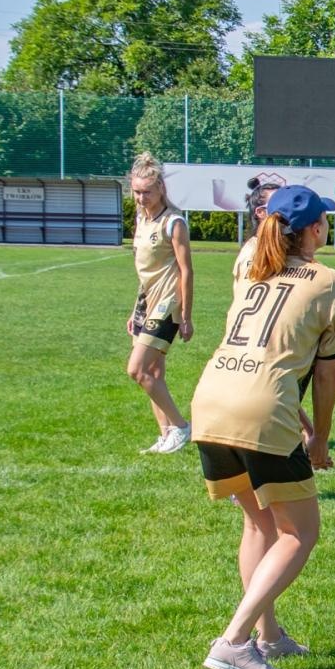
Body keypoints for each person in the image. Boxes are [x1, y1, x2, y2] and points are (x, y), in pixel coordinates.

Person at [193, 185, 335, 669]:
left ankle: (268, 636)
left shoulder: (252, 273)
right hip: (260, 408)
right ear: (313, 230)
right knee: (299, 533)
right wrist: (320, 437)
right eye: (323, 219)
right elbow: (327, 374)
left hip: (212, 398)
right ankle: (234, 642)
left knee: (259, 526)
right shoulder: (333, 283)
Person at [126, 152, 194, 454]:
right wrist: (134, 308)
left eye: (147, 192)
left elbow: (186, 270)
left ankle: (181, 427)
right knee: (154, 374)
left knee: (137, 370)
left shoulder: (173, 222)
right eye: (137, 192)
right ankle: (165, 434)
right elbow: (145, 272)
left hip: (167, 306)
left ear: (161, 189)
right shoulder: (141, 219)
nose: (142, 198)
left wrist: (186, 316)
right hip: (145, 303)